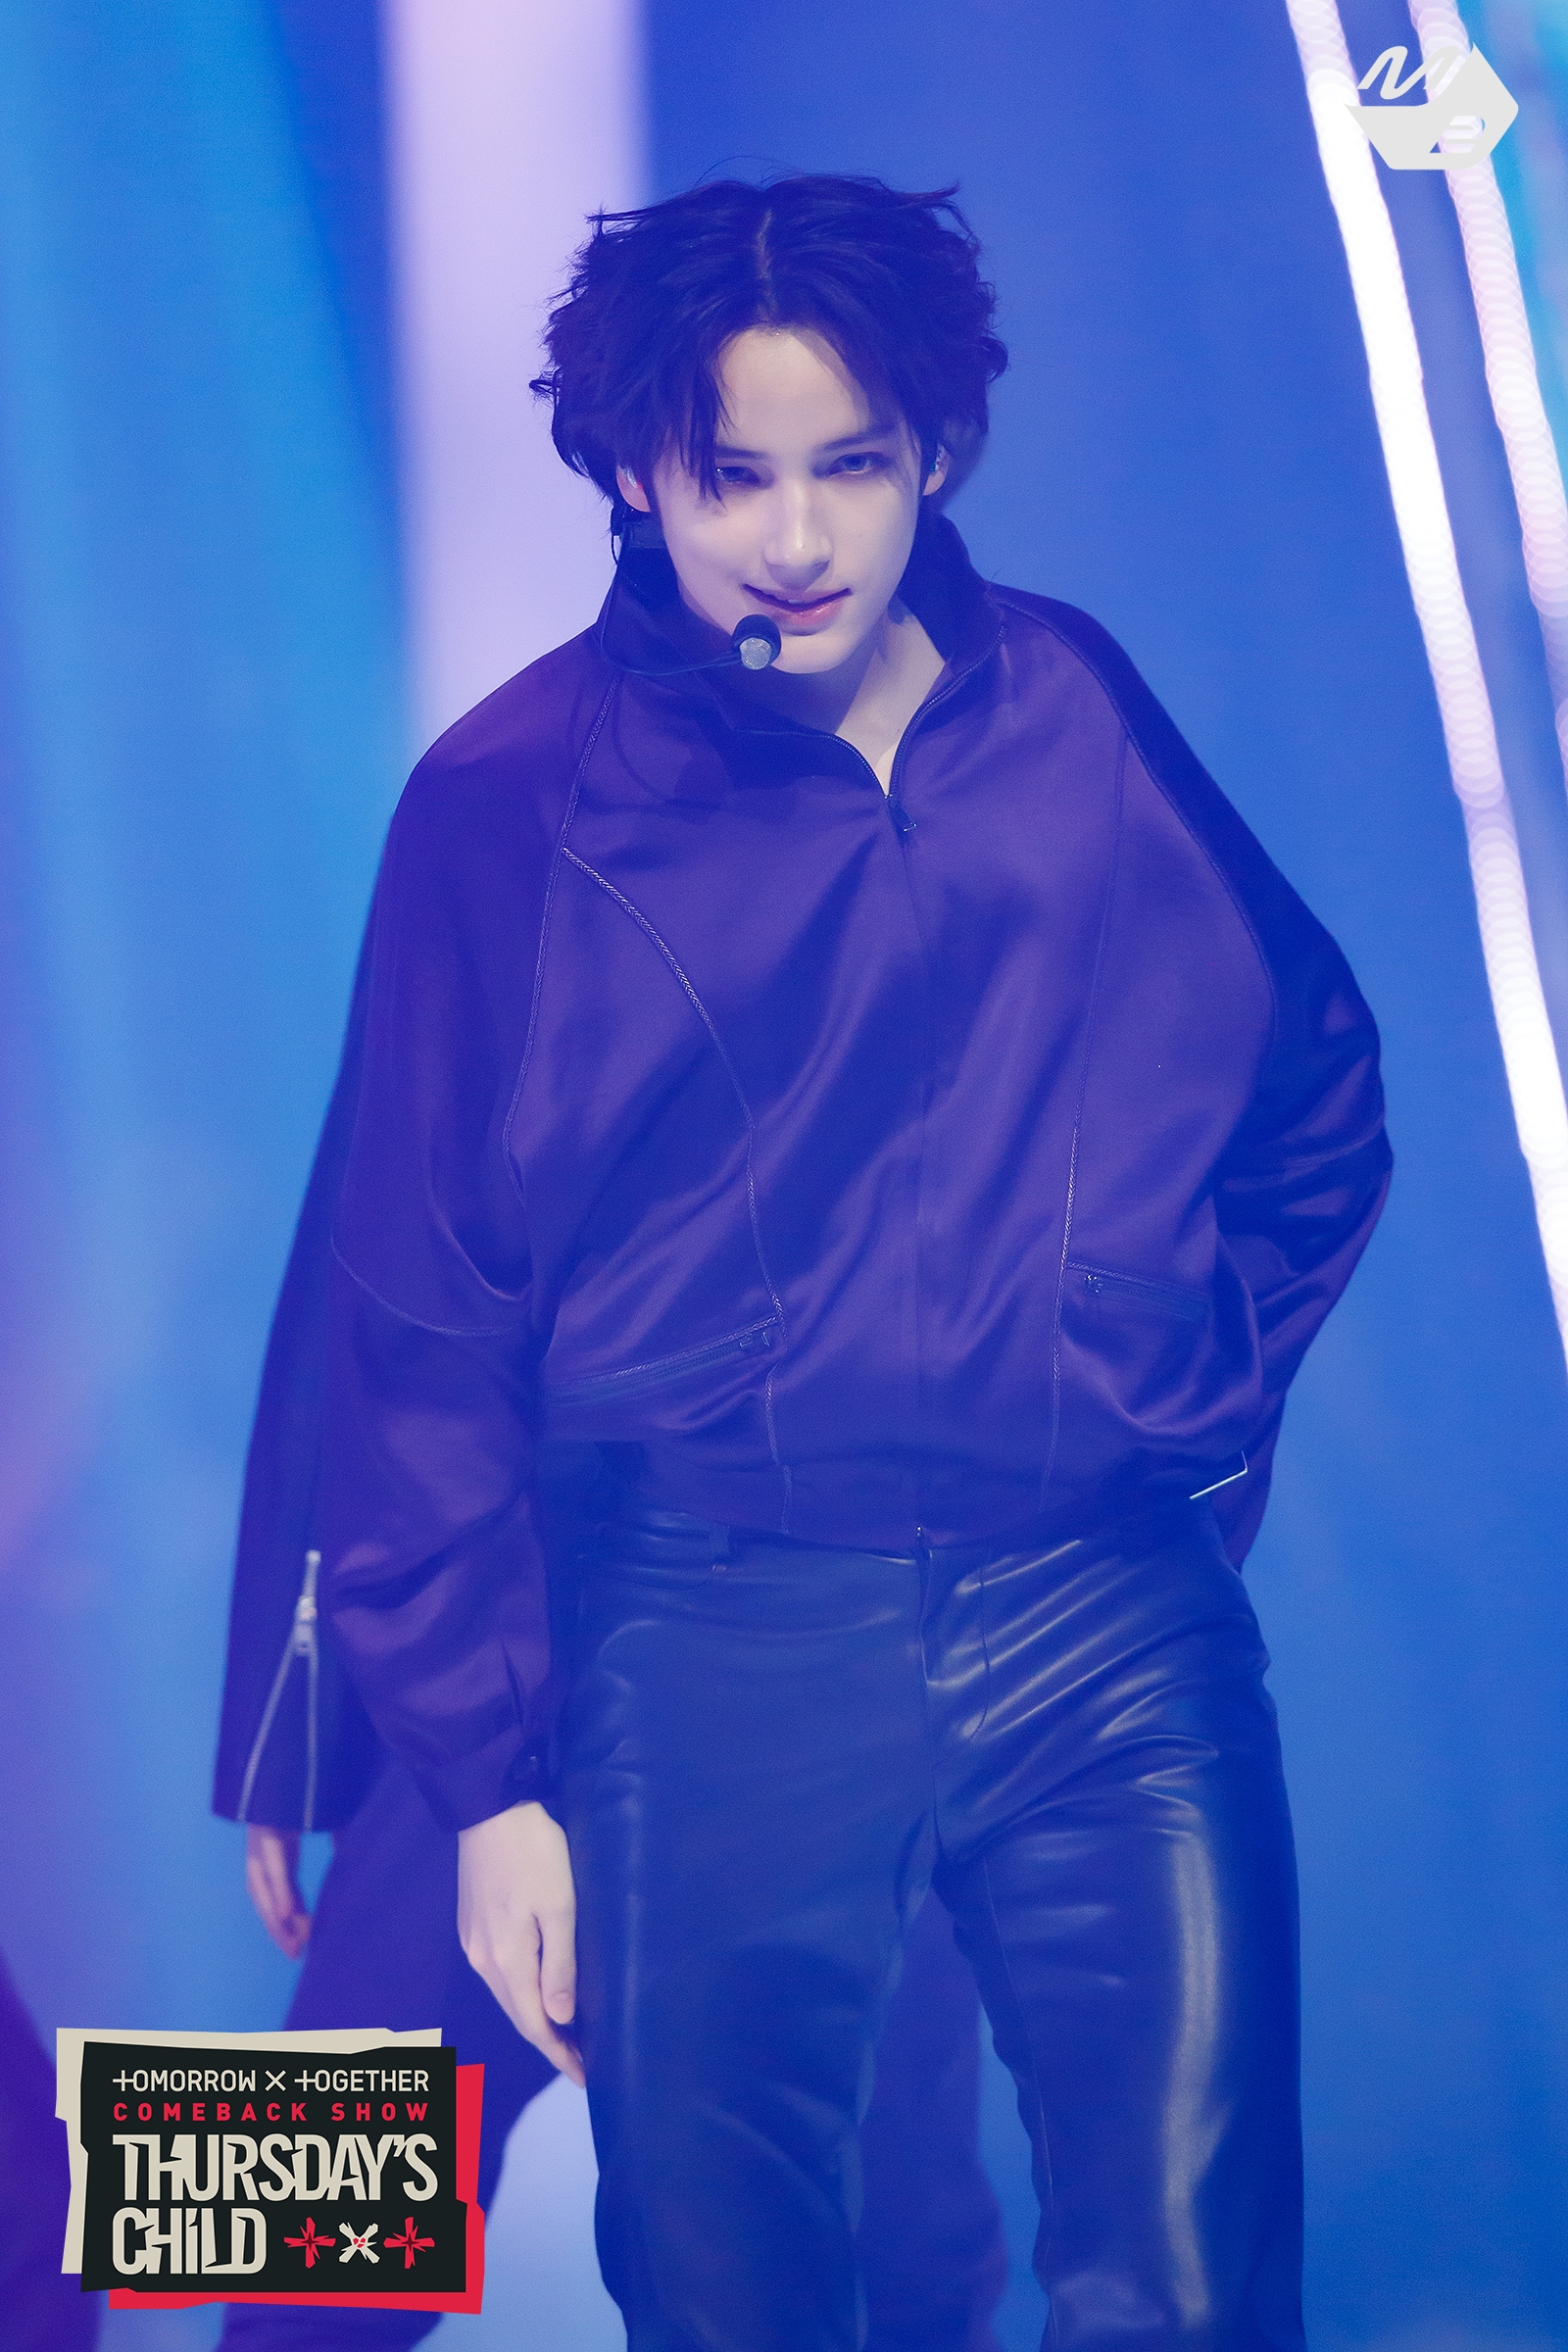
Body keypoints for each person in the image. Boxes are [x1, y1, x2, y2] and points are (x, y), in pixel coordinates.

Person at [268, 173, 1391, 2350]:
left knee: (1183, 2287)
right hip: (707, 1638)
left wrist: (1173, 1404)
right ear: (636, 470)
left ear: (932, 451)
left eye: (850, 465)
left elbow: (1311, 1085)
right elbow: (409, 1313)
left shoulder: (1066, 702)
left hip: (1099, 1617)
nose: (796, 538)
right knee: (729, 2295)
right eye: (735, 477)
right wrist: (476, 1778)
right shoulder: (509, 802)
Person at [212, 934, 1007, 2352]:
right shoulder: (486, 833)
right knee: (290, 2250)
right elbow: (366, 1254)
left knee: (898, 2241)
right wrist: (295, 1708)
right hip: (511, 1663)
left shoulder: (939, 842)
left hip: (847, 1656)